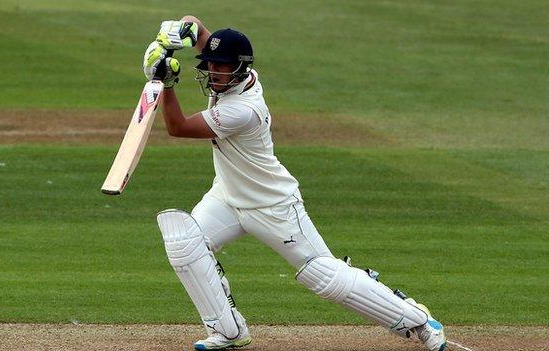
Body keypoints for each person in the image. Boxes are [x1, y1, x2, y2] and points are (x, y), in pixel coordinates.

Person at [142, 16, 447, 351]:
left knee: (323, 275)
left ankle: (418, 320)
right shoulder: (238, 77)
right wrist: (175, 34)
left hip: (272, 204)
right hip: (227, 197)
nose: (213, 73)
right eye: (210, 65)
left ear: (240, 69)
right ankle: (228, 331)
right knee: (184, 242)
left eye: (221, 67)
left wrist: (166, 82)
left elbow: (178, 127)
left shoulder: (244, 109)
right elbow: (199, 30)